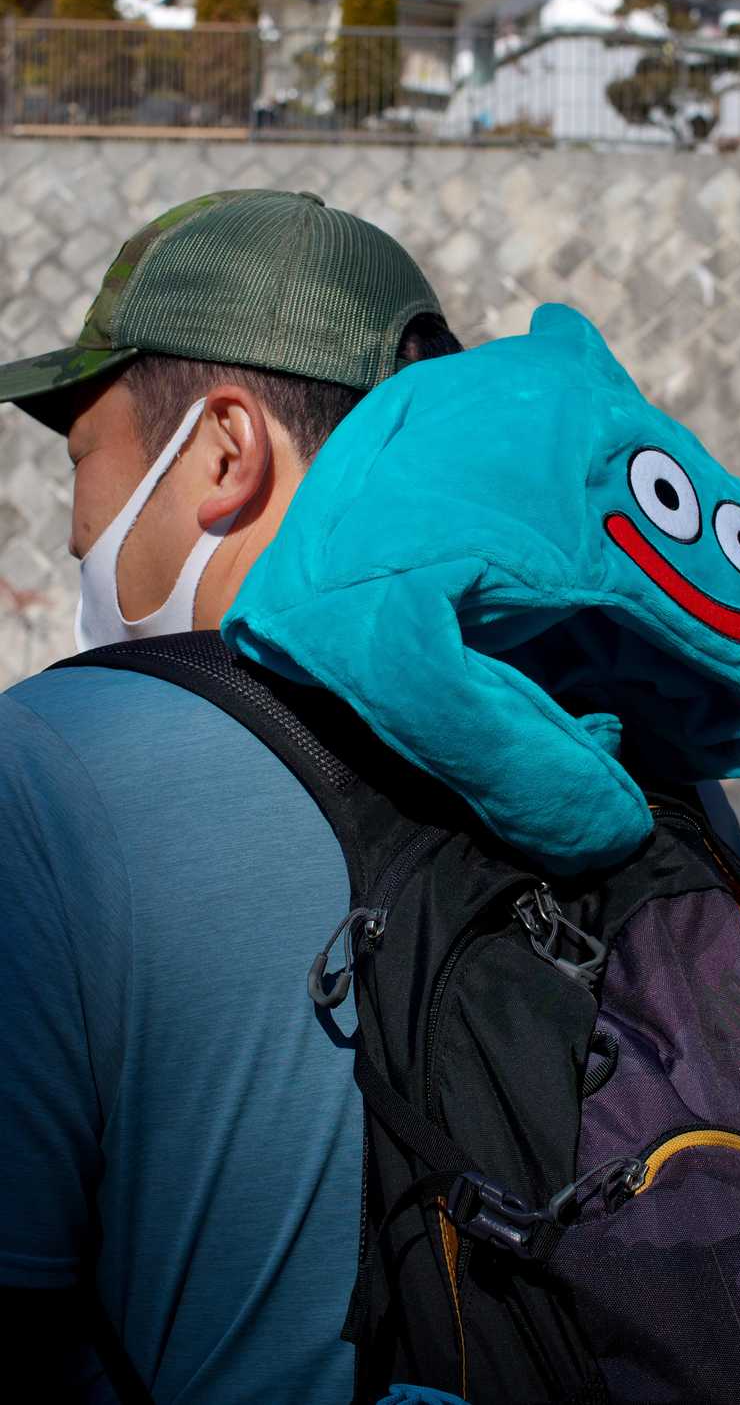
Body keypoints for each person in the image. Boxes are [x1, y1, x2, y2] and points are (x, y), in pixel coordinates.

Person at [0, 188, 461, 1402]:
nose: (74, 530)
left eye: (81, 458)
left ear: (222, 452)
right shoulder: (643, 764)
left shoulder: (42, 775)